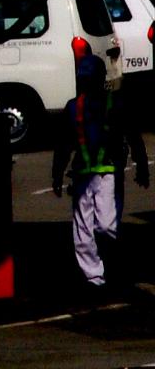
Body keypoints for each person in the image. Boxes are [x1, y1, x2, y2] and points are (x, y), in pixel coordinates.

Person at [52, 49, 149, 289]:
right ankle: (94, 278)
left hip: (108, 175)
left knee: (106, 226)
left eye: (89, 78)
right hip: (83, 176)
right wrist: (57, 174)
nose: (86, 83)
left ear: (99, 79)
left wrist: (142, 166)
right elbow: (64, 144)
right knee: (83, 230)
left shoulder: (115, 105)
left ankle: (109, 265)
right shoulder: (73, 107)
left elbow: (133, 136)